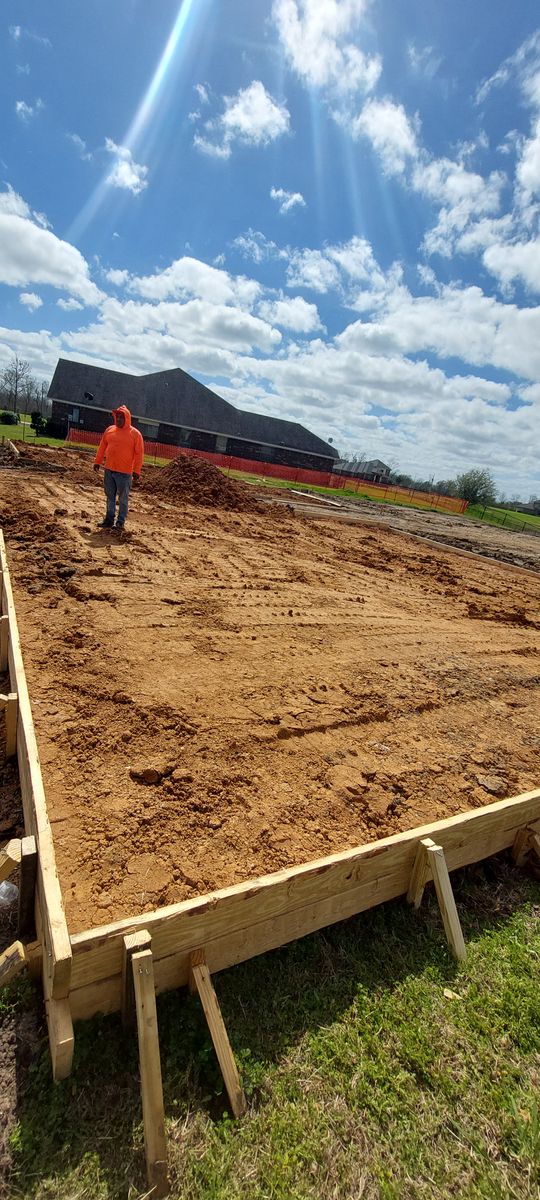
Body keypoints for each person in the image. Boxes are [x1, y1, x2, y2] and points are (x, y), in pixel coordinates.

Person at [93, 405, 144, 531]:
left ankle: (120, 522)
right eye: (118, 417)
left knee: (123, 498)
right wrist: (97, 461)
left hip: (124, 473)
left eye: (122, 417)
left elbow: (139, 453)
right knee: (110, 496)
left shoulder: (135, 434)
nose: (119, 419)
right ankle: (109, 520)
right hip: (109, 470)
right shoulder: (110, 430)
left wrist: (136, 470)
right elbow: (102, 446)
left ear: (127, 418)